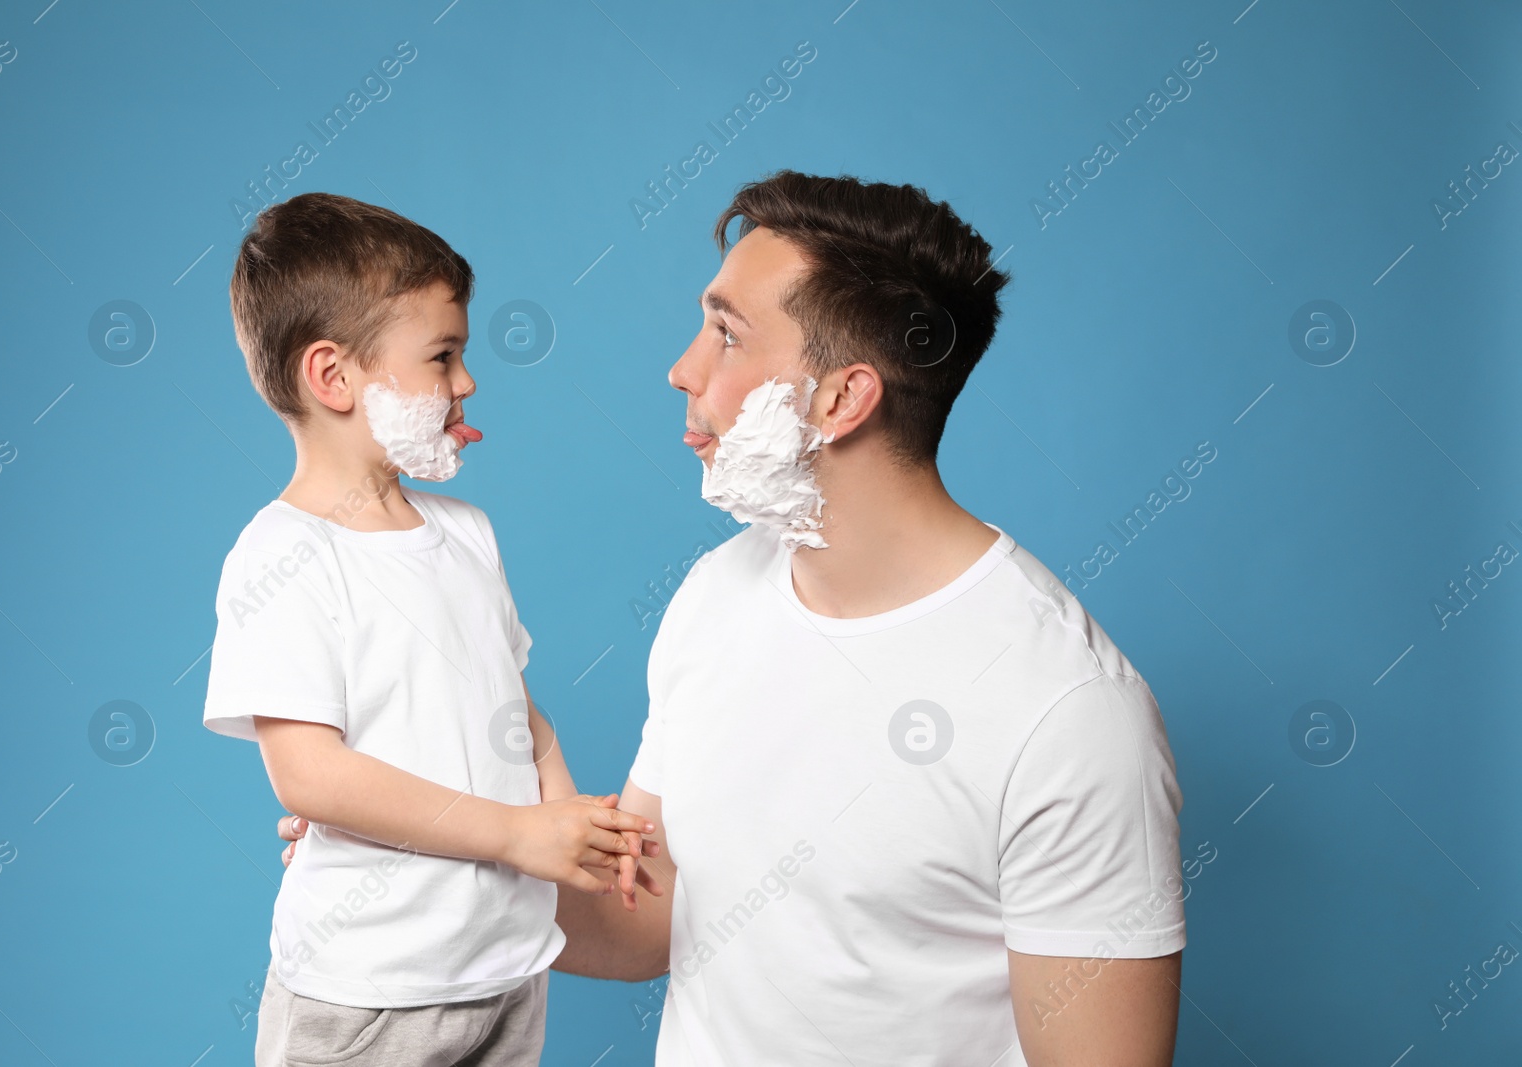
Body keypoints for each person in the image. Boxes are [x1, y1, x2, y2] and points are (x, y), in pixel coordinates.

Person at [281, 172, 1187, 1066]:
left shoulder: (1068, 713)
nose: (683, 368)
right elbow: (655, 920)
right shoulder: (721, 591)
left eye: (726, 333)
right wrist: (423, 851)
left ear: (841, 399)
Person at [203, 192, 658, 1067]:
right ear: (333, 377)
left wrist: (571, 825)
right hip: (371, 990)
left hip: (505, 970)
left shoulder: (468, 534)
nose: (468, 380)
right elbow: (309, 774)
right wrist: (516, 834)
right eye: (443, 356)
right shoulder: (284, 554)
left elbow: (519, 721)